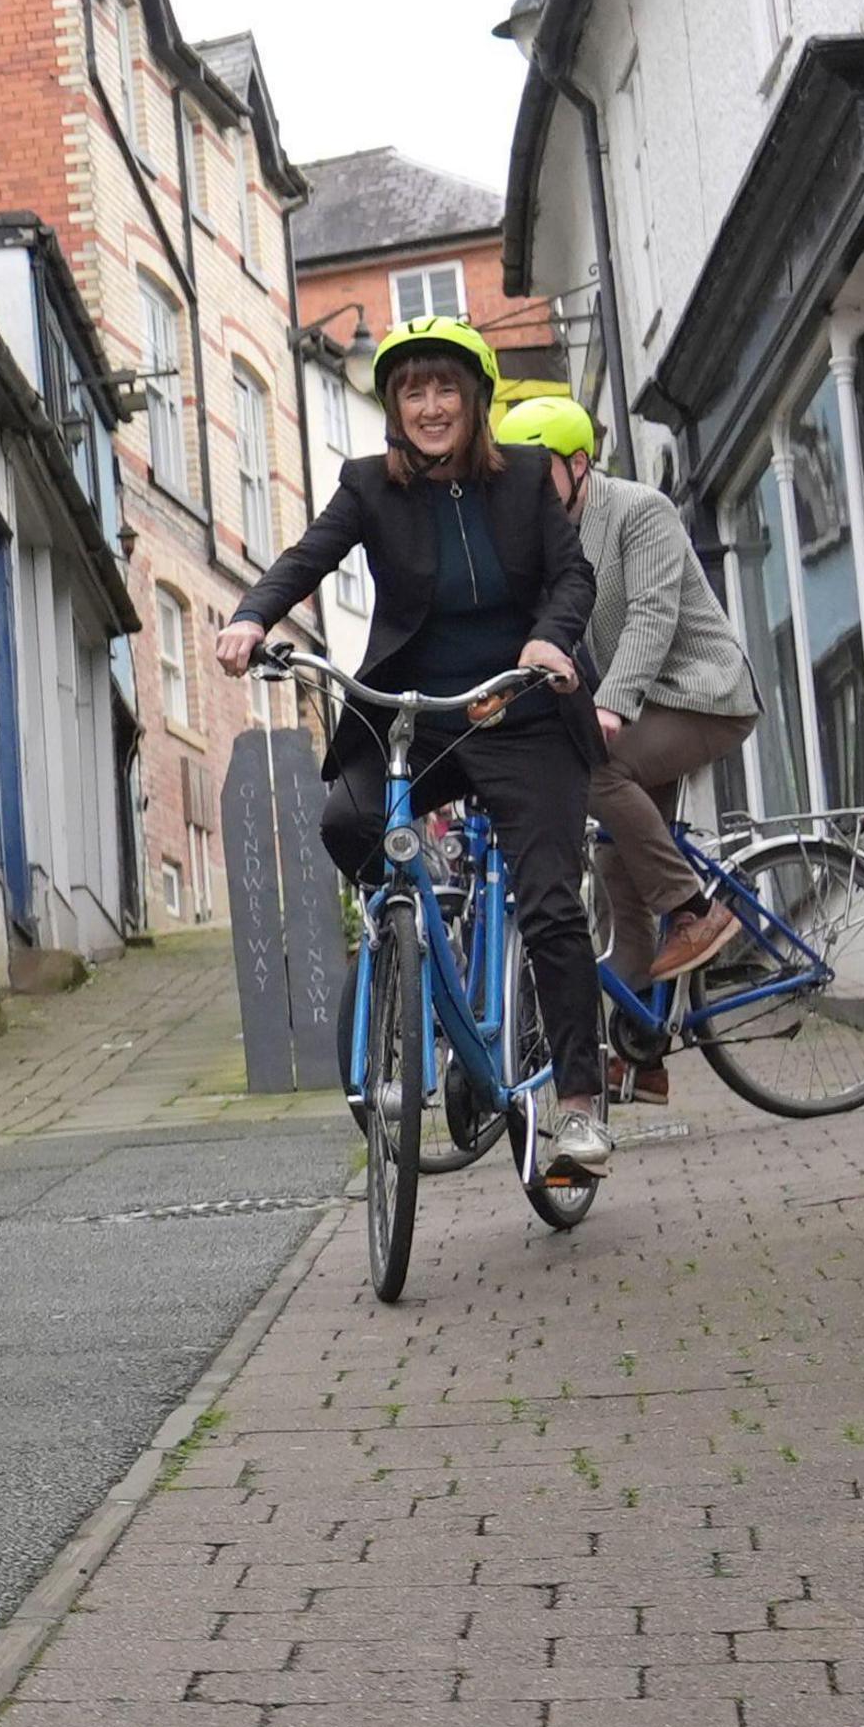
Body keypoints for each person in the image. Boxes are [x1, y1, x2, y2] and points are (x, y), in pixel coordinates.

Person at [213, 316, 615, 1180]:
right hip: (419, 714)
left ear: (474, 401)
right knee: (348, 821)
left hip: (521, 710)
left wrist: (548, 641)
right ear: (395, 408)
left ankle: (578, 1102)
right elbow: (307, 556)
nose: (430, 407)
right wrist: (252, 614)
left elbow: (572, 573)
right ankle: (414, 930)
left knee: (549, 902)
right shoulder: (368, 486)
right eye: (411, 391)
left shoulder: (524, 484)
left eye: (444, 389)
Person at [499, 394, 761, 1104]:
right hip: (637, 706)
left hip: (700, 694)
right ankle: (643, 1051)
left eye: (536, 473)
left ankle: (694, 909)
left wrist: (610, 703)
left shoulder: (641, 512)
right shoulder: (541, 540)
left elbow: (651, 614)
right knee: (618, 873)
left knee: (596, 771)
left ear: (578, 465)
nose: (524, 491)